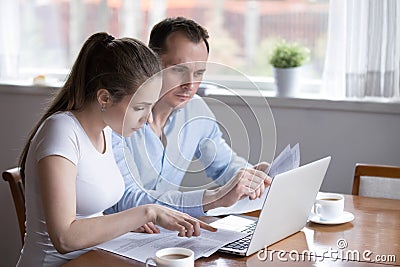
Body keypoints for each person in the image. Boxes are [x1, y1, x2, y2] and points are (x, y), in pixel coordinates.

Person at [17, 32, 216, 266]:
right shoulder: (61, 132)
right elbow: (65, 237)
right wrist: (146, 213)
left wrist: (126, 224)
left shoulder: (106, 130)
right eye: (140, 107)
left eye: (150, 107)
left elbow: (91, 214)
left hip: (96, 258)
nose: (146, 119)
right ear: (104, 98)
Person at [106, 17, 271, 224]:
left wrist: (251, 176)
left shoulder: (196, 110)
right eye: (178, 70)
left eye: (199, 73)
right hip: (116, 236)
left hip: (165, 234)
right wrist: (211, 199)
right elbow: (126, 200)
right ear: (152, 63)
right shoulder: (118, 115)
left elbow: (223, 164)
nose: (190, 84)